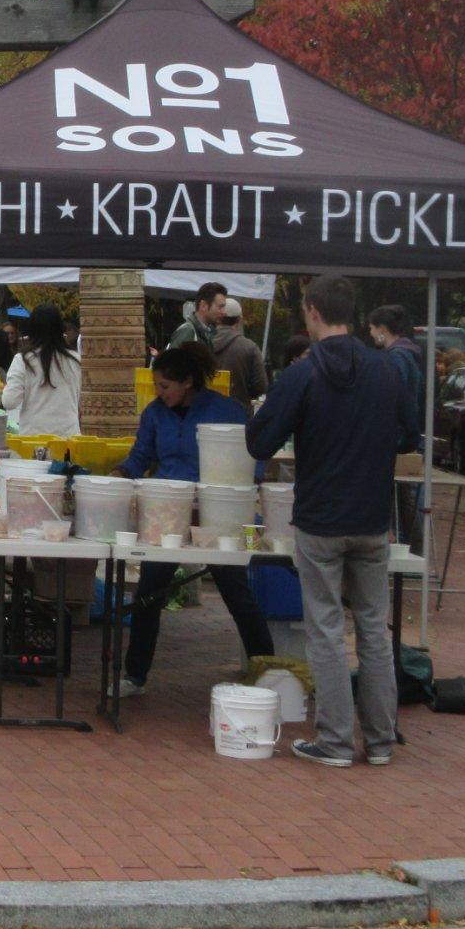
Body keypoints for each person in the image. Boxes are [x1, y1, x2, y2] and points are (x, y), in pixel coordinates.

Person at [249, 275, 420, 767]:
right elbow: (409, 435)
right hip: (371, 516)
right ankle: (381, 740)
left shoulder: (302, 374)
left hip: (320, 516)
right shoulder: (387, 368)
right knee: (373, 628)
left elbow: (260, 442)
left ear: (313, 312)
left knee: (324, 628)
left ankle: (336, 740)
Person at [112, 344, 274, 697]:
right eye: (157, 386)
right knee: (149, 594)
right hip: (167, 510)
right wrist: (121, 473)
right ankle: (134, 676)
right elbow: (141, 455)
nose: (159, 393)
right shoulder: (155, 414)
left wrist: (248, 484)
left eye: (165, 386)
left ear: (188, 382)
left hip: (219, 514)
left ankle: (269, 673)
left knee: (236, 592)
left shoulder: (228, 411)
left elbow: (254, 455)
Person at [1, 303, 83, 435]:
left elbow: (9, 401)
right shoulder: (75, 360)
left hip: (33, 440)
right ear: (60, 328)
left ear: (32, 329)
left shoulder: (23, 360)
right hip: (69, 438)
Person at [210, 297, 271, 408]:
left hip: (206, 414)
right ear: (239, 320)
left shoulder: (203, 342)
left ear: (218, 319)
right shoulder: (250, 347)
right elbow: (261, 386)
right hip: (238, 414)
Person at [170, 282, 228, 349]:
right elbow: (172, 359)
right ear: (203, 305)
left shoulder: (208, 332)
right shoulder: (188, 332)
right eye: (220, 307)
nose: (224, 312)